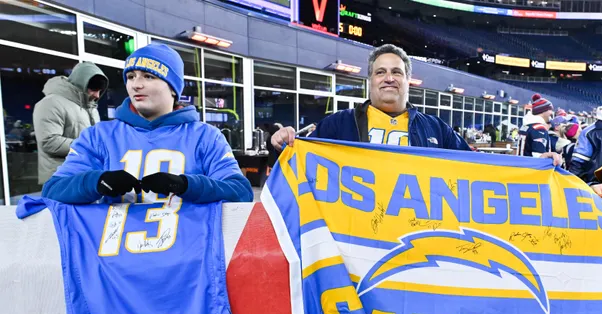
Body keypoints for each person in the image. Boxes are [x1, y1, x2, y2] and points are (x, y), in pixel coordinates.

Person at [41, 43, 252, 204]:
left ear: (173, 87)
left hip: (186, 256)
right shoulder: (99, 136)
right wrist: (96, 182)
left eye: (149, 76)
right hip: (116, 257)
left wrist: (187, 185)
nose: (136, 85)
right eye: (131, 76)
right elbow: (53, 190)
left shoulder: (206, 136)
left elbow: (240, 192)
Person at [270, 44, 470, 151]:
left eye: (397, 72)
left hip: (416, 226)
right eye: (380, 72)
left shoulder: (436, 128)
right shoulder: (338, 124)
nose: (389, 78)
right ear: (370, 80)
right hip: (356, 225)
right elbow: (300, 161)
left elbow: (475, 168)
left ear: (408, 80)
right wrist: (282, 144)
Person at [34, 62, 109, 184]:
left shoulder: (91, 108)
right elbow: (49, 142)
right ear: (81, 83)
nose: (97, 95)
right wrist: (88, 146)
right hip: (60, 180)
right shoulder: (51, 103)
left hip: (84, 178)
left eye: (100, 91)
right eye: (94, 89)